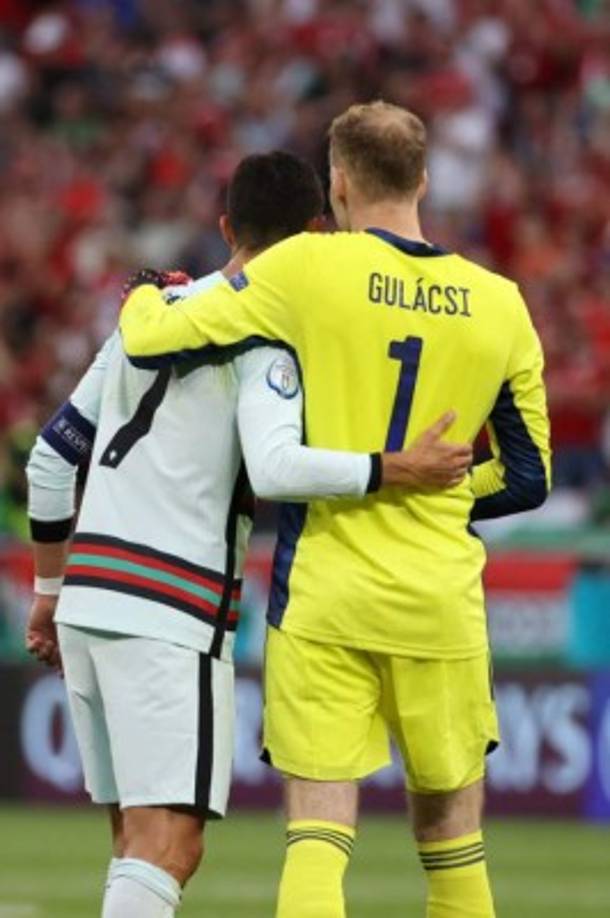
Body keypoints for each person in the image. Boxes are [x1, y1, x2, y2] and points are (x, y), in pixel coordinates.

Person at [120, 102, 552, 918]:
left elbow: (156, 339)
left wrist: (143, 296)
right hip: (440, 602)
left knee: (318, 835)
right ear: (423, 180)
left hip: (325, 596)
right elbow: (528, 478)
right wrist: (441, 494)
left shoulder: (309, 269)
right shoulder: (502, 303)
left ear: (340, 183)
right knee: (455, 844)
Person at [26, 149, 472, 918]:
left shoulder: (151, 314)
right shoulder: (267, 336)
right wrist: (391, 466)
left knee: (137, 840)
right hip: (170, 605)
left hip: (89, 600)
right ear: (316, 234)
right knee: (172, 844)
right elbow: (272, 468)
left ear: (226, 225)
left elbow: (48, 460)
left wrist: (48, 590)